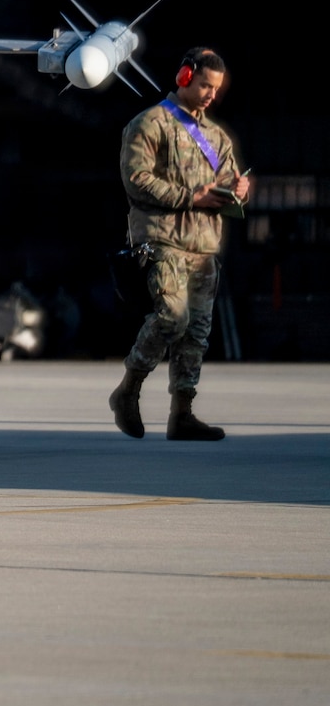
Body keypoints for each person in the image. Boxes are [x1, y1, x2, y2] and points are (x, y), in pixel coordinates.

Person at [109, 47, 250, 442]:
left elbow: (228, 183)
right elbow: (136, 179)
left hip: (204, 247)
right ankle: (129, 389)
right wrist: (192, 197)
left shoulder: (216, 138)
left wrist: (239, 189)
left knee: (197, 334)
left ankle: (182, 413)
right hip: (162, 240)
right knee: (173, 316)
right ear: (185, 77)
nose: (210, 94)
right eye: (204, 84)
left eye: (215, 89)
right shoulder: (149, 124)